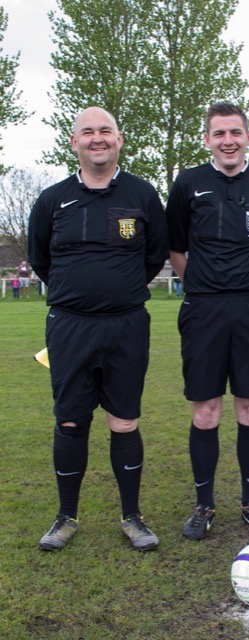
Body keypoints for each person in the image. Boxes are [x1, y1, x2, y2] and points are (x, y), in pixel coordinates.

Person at [28, 106, 169, 551]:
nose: (97, 138)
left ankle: (133, 518)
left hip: (127, 326)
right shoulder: (52, 200)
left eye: (105, 131)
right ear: (74, 142)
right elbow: (40, 258)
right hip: (70, 327)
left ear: (119, 139)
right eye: (87, 132)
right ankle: (65, 518)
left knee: (124, 421)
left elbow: (154, 255)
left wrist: (117, 290)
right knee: (70, 420)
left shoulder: (143, 195)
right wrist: (79, 292)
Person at [165, 102, 249, 540]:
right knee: (205, 411)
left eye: (235, 132)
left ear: (248, 136)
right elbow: (176, 247)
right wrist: (201, 284)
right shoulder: (189, 184)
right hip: (203, 311)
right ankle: (204, 505)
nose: (228, 141)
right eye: (219, 134)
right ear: (207, 140)